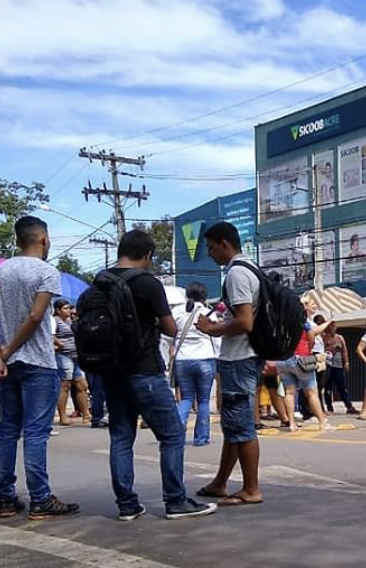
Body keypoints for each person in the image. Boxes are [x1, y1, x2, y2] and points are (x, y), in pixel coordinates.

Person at [98, 230, 215, 521]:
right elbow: (171, 329)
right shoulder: (147, 283)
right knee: (172, 434)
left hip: (111, 371)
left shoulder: (100, 282)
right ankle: (175, 501)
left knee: (121, 437)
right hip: (144, 370)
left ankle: (127, 505)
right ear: (148, 255)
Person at [0, 215, 79, 520]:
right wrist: (10, 349)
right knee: (36, 432)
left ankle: (6, 499)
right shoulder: (47, 272)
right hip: (38, 362)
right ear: (43, 239)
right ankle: (40, 498)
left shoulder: (0, 272)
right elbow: (37, 317)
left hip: (9, 365)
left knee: (8, 430)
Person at [195, 221, 264, 507]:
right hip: (248, 356)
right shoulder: (251, 268)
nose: (210, 254)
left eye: (211, 248)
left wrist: (212, 329)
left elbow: (245, 321)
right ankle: (221, 482)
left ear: (225, 244)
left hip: (239, 358)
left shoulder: (236, 274)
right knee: (235, 425)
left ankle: (251, 488)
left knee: (241, 426)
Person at [171, 282, 221, 447]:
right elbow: (217, 340)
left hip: (182, 360)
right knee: (204, 401)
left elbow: (169, 336)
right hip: (205, 358)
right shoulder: (208, 313)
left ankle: (176, 434)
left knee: (185, 398)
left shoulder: (177, 312)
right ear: (204, 297)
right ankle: (201, 438)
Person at [276, 297, 331, 432]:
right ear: (303, 307)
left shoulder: (282, 320)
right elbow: (311, 336)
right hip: (300, 357)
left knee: (289, 392)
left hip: (282, 359)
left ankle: (292, 424)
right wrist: (309, 348)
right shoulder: (303, 321)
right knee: (312, 392)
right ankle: (322, 422)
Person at [52, 299, 90, 426]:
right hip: (64, 355)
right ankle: (62, 415)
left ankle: (86, 414)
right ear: (58, 310)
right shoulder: (55, 321)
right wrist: (59, 344)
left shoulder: (70, 321)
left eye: (69, 308)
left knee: (81, 385)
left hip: (75, 355)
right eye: (65, 308)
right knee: (65, 385)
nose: (68, 310)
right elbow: (50, 335)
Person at [322, 322, 358, 414]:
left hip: (338, 364)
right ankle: (329, 406)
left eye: (334, 327)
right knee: (328, 386)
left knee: (342, 386)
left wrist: (346, 362)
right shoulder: (324, 337)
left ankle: (349, 406)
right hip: (328, 363)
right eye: (331, 327)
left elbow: (344, 351)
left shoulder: (339, 337)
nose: (333, 329)